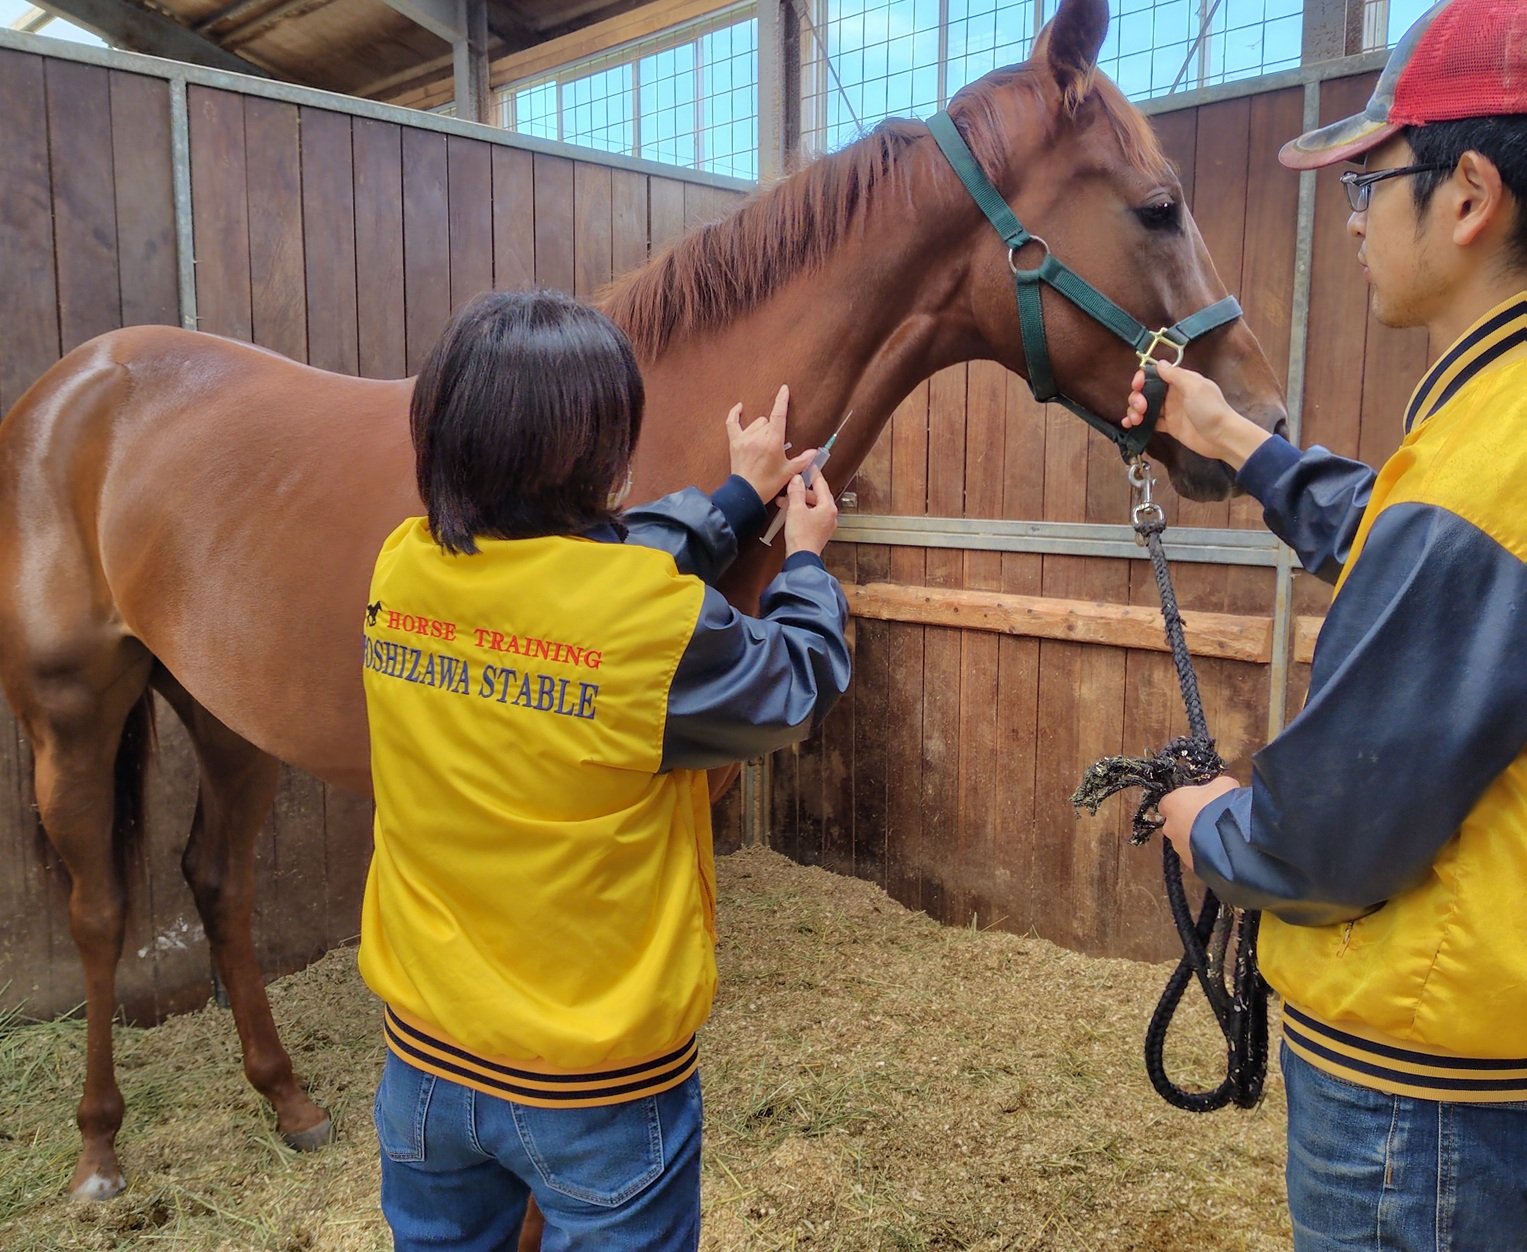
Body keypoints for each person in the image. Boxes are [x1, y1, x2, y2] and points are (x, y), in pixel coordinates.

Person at [1120, 0, 1527, 1247]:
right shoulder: (1487, 427)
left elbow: (1331, 840)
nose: (1352, 222)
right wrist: (1239, 443)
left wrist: (1206, 822)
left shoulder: (1485, 467)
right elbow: (1430, 561)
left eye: (1370, 185)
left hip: (1428, 1089)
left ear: (1466, 195)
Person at [356, 288, 851, 1250]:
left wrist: (733, 500)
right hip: (593, 1090)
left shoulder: (401, 567)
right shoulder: (650, 630)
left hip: (421, 1063)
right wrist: (803, 561)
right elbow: (798, 682)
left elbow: (586, 571)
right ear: (610, 461)